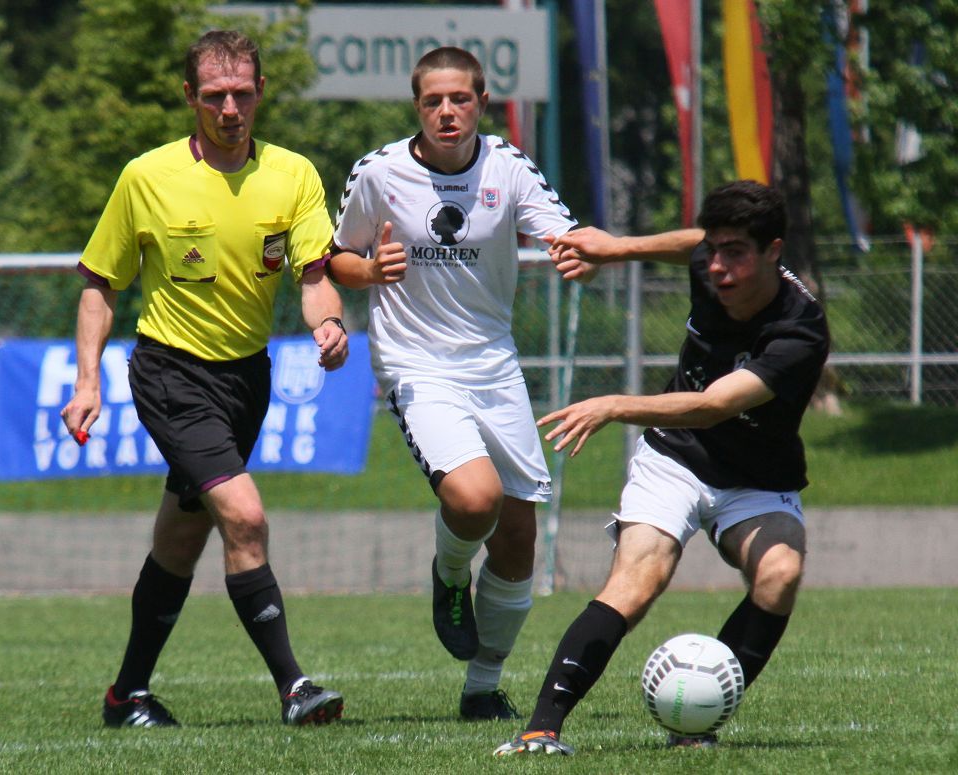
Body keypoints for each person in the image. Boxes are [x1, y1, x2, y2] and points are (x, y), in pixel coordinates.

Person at [61, 30, 349, 729]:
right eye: (215, 95)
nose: (229, 108)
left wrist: (329, 324)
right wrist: (87, 381)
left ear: (260, 93)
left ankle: (126, 695)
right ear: (190, 96)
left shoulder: (293, 175)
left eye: (242, 93)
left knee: (181, 539)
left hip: (247, 378)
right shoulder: (147, 176)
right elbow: (99, 285)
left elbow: (315, 276)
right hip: (171, 373)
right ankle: (294, 687)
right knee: (244, 517)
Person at [494, 180, 830, 756]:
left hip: (756, 477)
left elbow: (714, 405)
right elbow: (690, 245)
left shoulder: (799, 330)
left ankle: (695, 725)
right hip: (676, 456)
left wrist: (614, 405)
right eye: (714, 250)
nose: (717, 267)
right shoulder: (713, 262)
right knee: (636, 582)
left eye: (735, 253)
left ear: (773, 251)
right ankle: (540, 731)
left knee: (780, 573)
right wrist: (614, 248)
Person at [328, 46, 579, 720]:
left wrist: (578, 252)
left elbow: (563, 233)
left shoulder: (508, 166)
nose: (447, 111)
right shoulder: (379, 172)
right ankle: (448, 575)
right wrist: (367, 271)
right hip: (416, 363)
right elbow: (335, 258)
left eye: (459, 99)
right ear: (417, 106)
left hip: (493, 364)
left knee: (519, 535)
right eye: (433, 101)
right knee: (474, 499)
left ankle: (482, 687)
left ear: (481, 103)